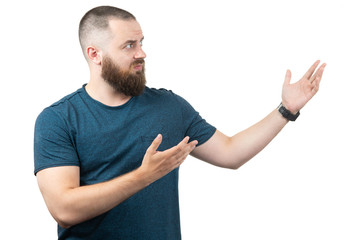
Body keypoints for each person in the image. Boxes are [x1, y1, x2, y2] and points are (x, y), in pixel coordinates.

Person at [34, 5, 326, 240]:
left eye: (141, 42)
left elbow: (231, 152)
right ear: (94, 54)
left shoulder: (168, 106)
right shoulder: (58, 119)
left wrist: (286, 110)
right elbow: (64, 209)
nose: (141, 53)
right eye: (129, 45)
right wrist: (143, 176)